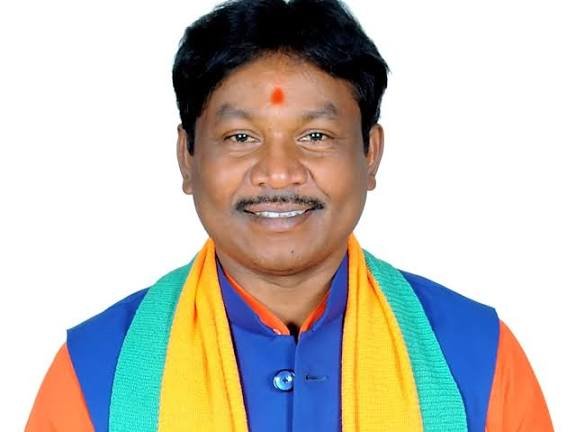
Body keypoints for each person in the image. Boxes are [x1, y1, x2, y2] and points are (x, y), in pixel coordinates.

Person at [26, 0, 553, 431]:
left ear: (370, 154)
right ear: (187, 158)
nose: (278, 173)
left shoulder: (478, 358)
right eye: (240, 137)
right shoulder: (96, 371)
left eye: (315, 135)